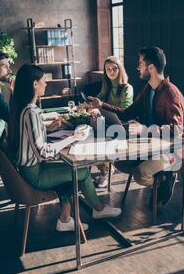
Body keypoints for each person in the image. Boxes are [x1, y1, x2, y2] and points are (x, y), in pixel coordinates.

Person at [8, 64, 122, 232]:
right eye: (43, 81)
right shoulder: (31, 111)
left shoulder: (23, 108)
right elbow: (43, 151)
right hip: (34, 174)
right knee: (81, 171)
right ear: (34, 84)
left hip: (28, 169)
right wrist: (72, 138)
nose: (45, 84)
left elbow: (29, 137)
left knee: (72, 168)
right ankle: (96, 210)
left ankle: (68, 217)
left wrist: (47, 129)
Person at [89, 47, 184, 206]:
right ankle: (161, 177)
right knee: (120, 162)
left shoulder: (171, 94)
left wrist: (144, 130)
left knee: (141, 174)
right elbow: (127, 113)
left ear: (151, 68)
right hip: (151, 145)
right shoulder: (148, 89)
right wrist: (102, 106)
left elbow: (177, 131)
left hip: (172, 151)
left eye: (140, 64)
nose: (138, 67)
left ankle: (165, 178)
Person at [87, 56, 134, 188]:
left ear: (120, 69)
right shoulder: (106, 87)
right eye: (108, 70)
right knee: (89, 138)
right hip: (108, 125)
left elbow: (125, 111)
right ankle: (104, 169)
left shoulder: (127, 88)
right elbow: (99, 100)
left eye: (114, 68)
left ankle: (106, 170)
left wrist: (101, 105)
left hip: (123, 127)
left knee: (98, 141)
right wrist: (91, 106)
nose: (111, 72)